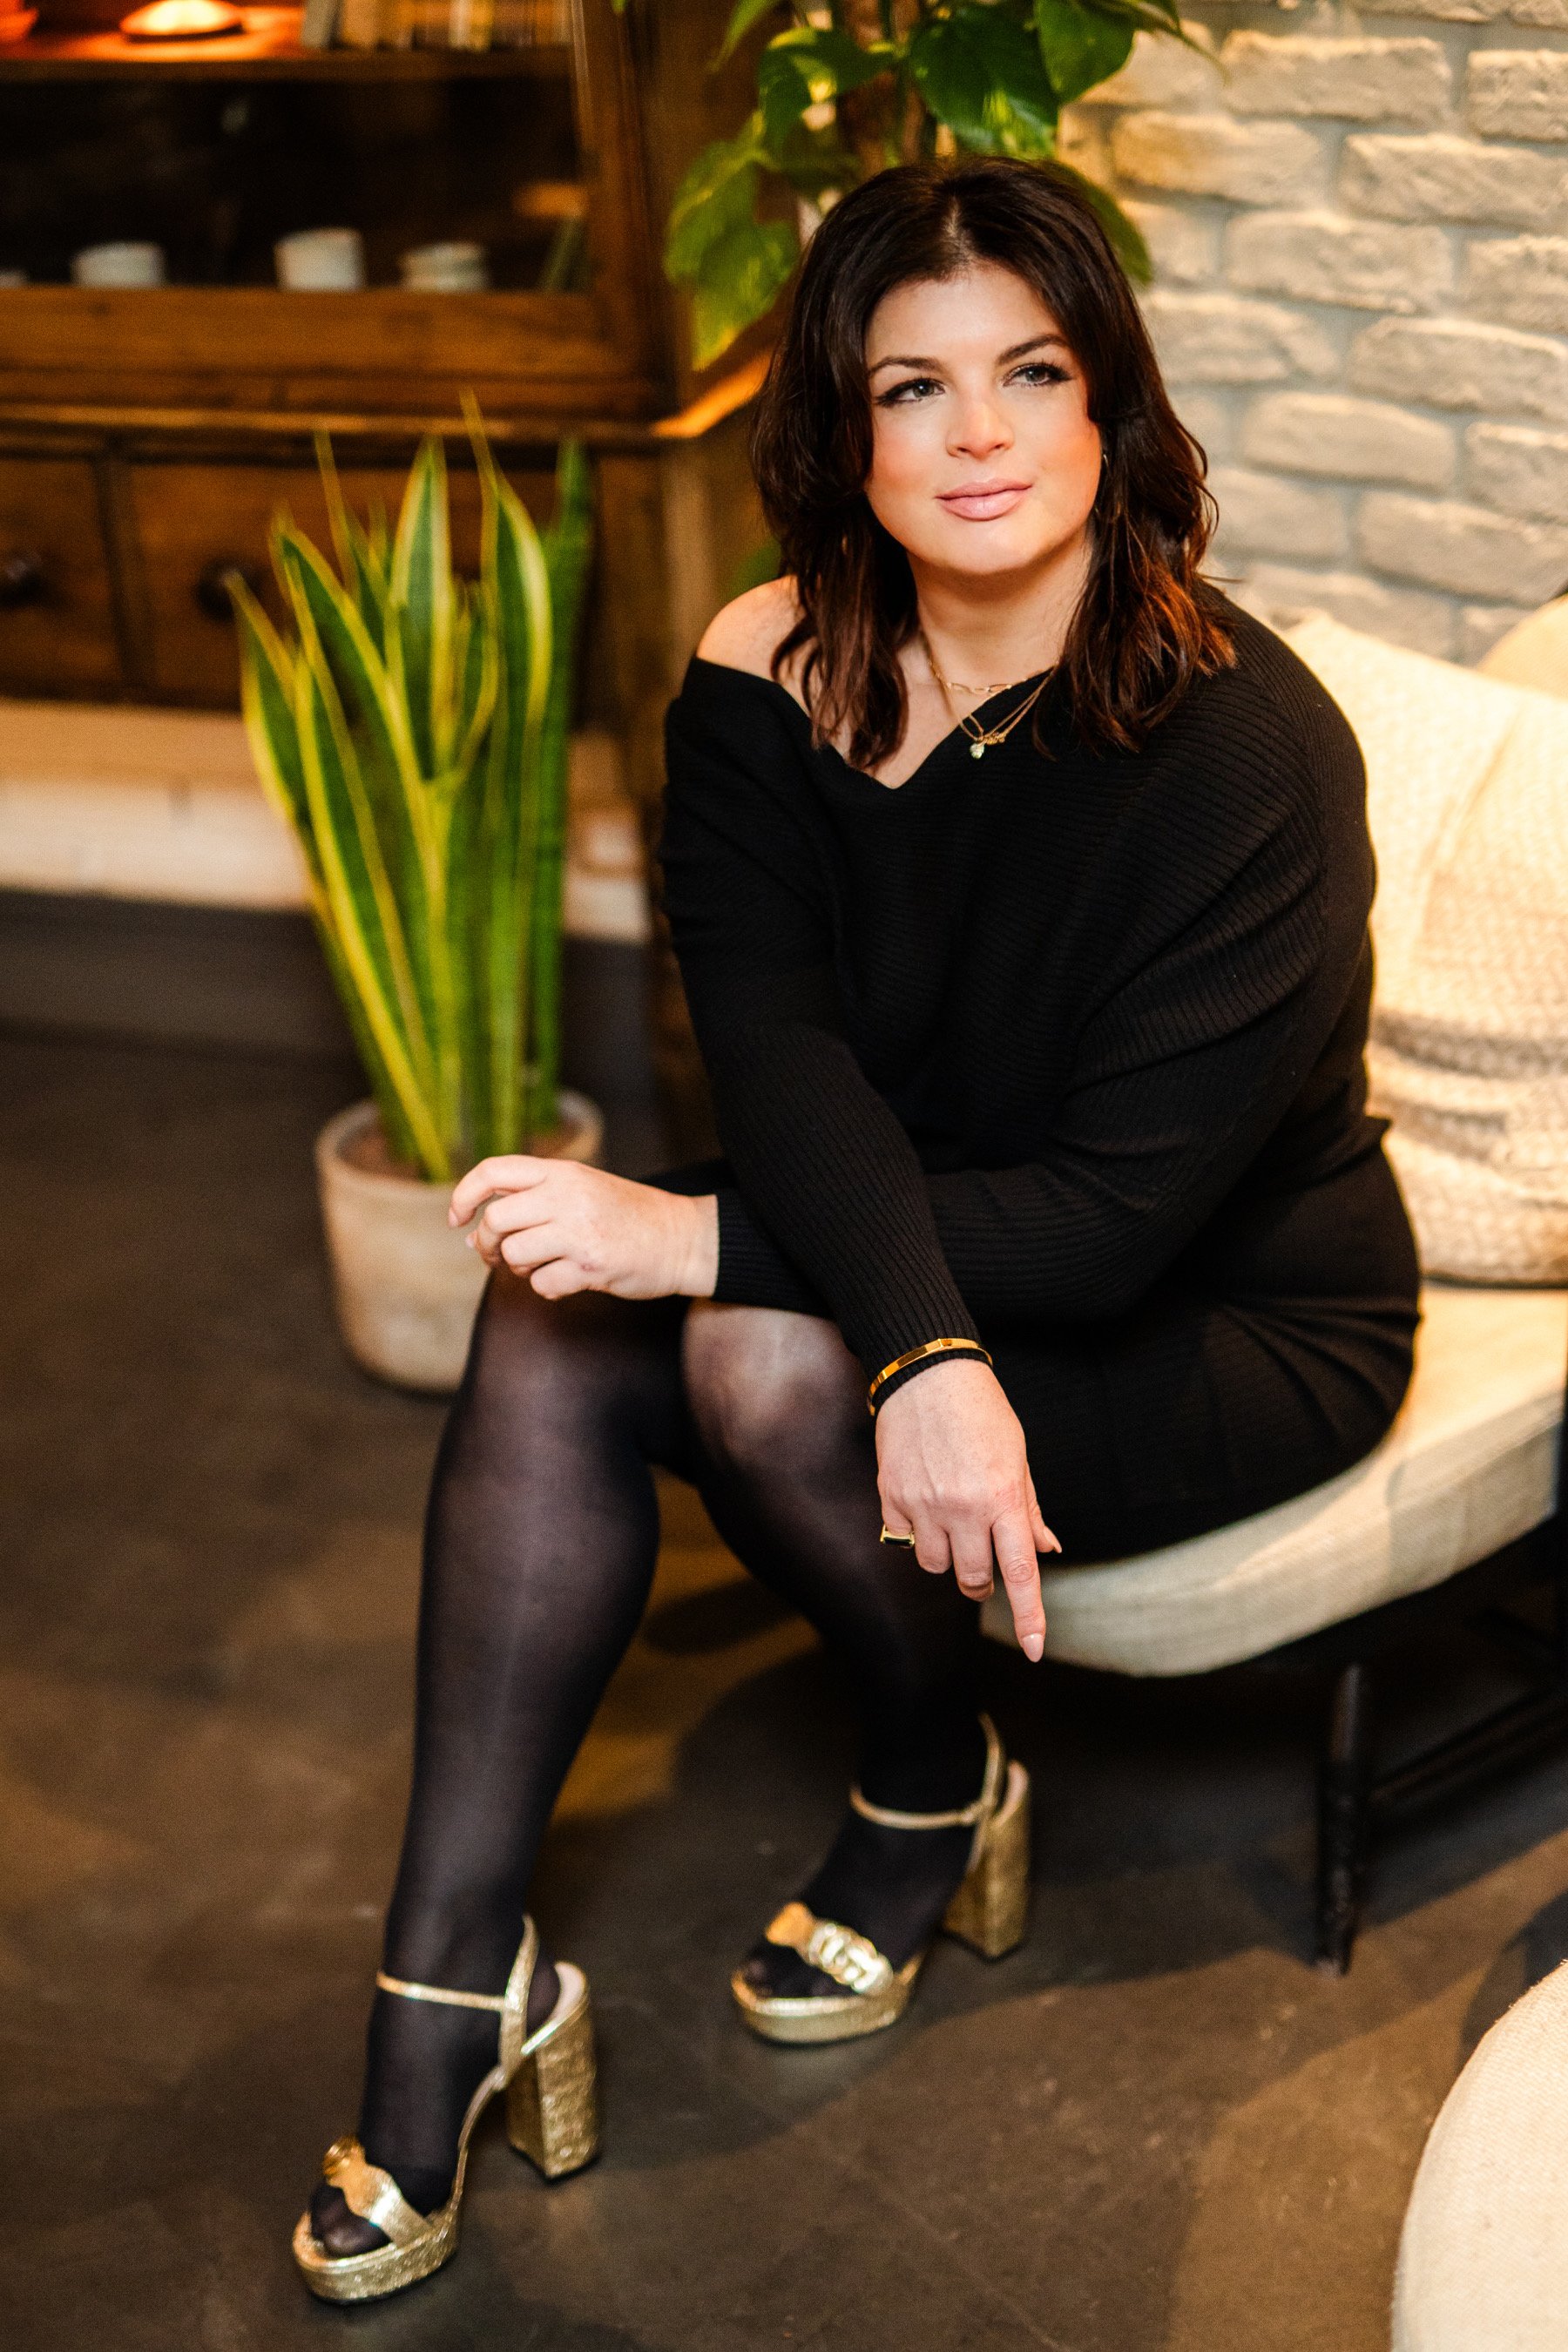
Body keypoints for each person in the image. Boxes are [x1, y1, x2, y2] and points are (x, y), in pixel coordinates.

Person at [292, 155, 1422, 2301]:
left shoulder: (1250, 757)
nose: (978, 434)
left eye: (1033, 372)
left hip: (1231, 1314)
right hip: (923, 1235)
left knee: (747, 1347)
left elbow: (1111, 1225)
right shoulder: (763, 672)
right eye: (915, 387)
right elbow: (785, 1066)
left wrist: (719, 1256)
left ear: (1113, 407)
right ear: (845, 429)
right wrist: (905, 1329)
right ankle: (453, 1973)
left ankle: (929, 1783)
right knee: (555, 1317)